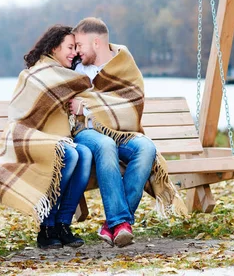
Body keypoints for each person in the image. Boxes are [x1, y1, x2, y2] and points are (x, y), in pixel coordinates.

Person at [67, 17, 186, 248]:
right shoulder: (74, 68)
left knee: (146, 147)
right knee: (105, 145)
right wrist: (83, 108)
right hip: (86, 132)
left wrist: (90, 106)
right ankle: (121, 222)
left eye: (80, 44)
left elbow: (133, 100)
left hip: (121, 132)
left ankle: (114, 225)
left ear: (97, 42)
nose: (77, 50)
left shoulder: (123, 63)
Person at [0, 25, 93, 250]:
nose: (74, 53)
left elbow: (91, 94)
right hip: (31, 140)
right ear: (54, 47)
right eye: (70, 47)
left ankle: (62, 224)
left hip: (60, 140)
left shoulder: (69, 78)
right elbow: (21, 117)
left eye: (76, 49)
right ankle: (46, 227)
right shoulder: (32, 75)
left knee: (83, 153)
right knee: (67, 153)